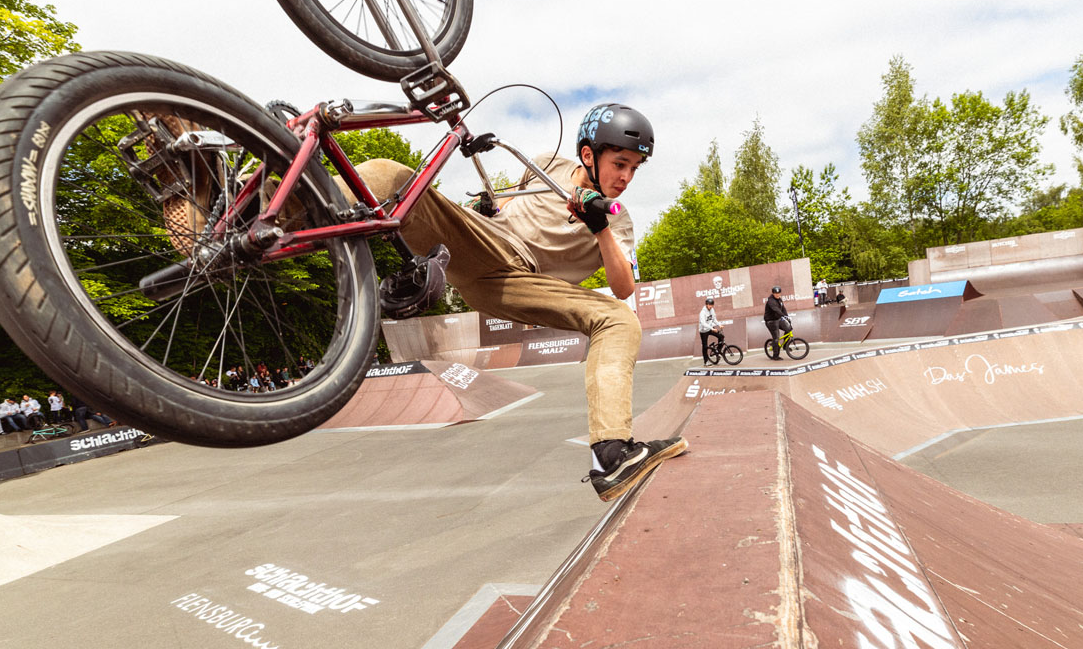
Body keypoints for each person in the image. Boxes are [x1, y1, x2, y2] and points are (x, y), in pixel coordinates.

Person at [338, 103, 686, 501]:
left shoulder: (617, 219)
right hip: (481, 243)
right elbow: (511, 202)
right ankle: (275, 206)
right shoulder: (547, 164)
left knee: (620, 319)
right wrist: (487, 204)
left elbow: (622, 287)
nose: (625, 177)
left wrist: (599, 227)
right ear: (588, 155)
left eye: (634, 169)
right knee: (390, 176)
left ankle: (611, 453)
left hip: (520, 280)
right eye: (620, 164)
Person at [763, 285, 790, 360]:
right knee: (776, 338)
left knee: (788, 329)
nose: (778, 295)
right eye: (776, 293)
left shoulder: (779, 299)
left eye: (779, 293)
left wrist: (786, 317)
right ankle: (775, 356)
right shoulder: (770, 301)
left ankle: (785, 346)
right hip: (770, 321)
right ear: (773, 293)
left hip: (778, 319)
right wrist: (782, 315)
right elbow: (776, 309)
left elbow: (783, 309)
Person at [698, 297, 725, 365]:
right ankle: (706, 361)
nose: (711, 306)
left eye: (712, 305)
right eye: (710, 305)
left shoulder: (712, 310)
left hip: (710, 328)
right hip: (703, 331)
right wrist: (712, 328)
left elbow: (714, 319)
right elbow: (703, 323)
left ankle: (717, 351)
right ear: (706, 305)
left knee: (721, 336)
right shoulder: (702, 313)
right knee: (705, 346)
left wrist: (719, 325)